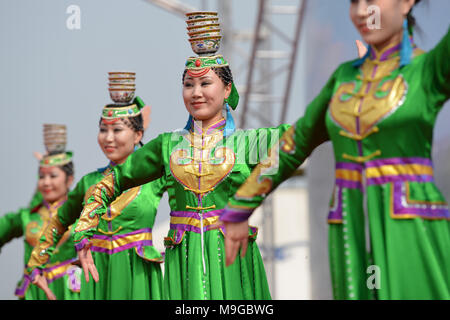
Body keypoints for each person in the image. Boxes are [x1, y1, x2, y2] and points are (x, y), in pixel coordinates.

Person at [220, 0, 450, 300]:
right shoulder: (343, 80)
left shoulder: (427, 71)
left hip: (408, 224)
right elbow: (293, 143)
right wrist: (240, 208)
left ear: (407, 3)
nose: (362, 11)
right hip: (350, 223)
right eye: (355, 2)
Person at [72, 13, 290, 300]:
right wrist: (84, 228)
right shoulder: (167, 146)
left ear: (227, 89)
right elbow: (112, 180)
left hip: (231, 259)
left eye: (205, 84)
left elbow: (306, 130)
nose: (196, 93)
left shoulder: (249, 143)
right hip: (184, 262)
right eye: (189, 85)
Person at [27, 95, 165, 300]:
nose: (108, 138)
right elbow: (61, 219)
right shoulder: (88, 182)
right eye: (103, 130)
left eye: (117, 130)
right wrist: (37, 261)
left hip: (136, 271)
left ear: (137, 135)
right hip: (96, 271)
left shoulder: (155, 178)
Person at [0, 125, 80, 300]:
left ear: (69, 179)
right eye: (42, 176)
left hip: (70, 291)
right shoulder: (27, 216)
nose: (46, 182)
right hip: (34, 291)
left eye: (53, 176)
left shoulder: (80, 212)